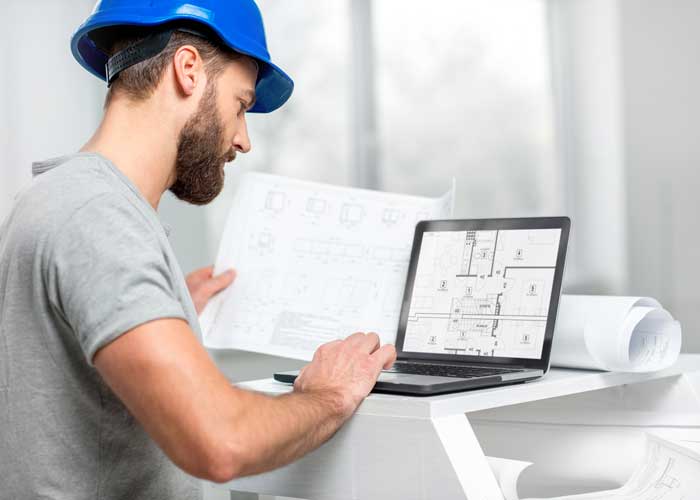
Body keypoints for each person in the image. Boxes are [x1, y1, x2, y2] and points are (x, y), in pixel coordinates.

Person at [0, 1, 396, 499]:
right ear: (188, 70)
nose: (242, 139)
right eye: (241, 104)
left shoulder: (56, 197)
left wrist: (166, 307)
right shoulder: (97, 216)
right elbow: (220, 441)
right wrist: (330, 393)